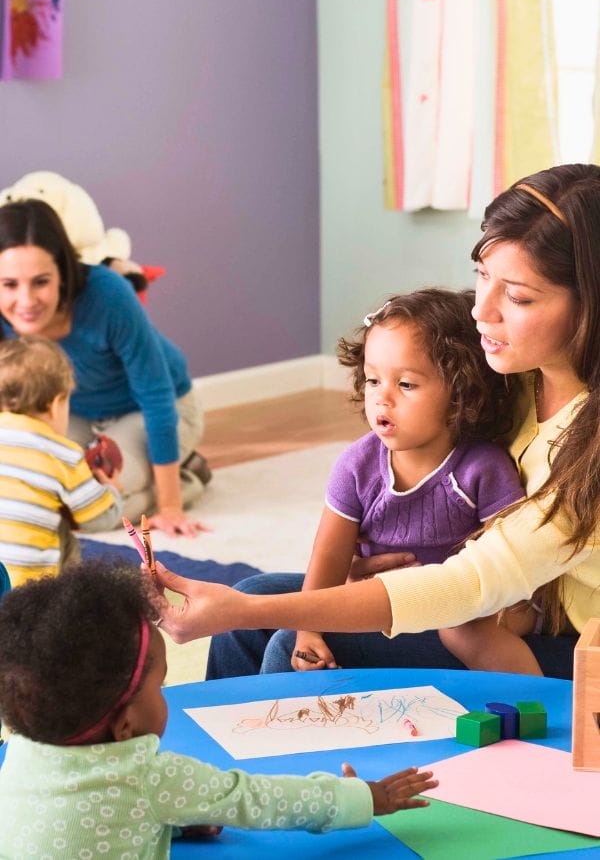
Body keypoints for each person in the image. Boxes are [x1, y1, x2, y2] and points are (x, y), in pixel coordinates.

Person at [152, 162, 599, 681]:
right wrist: (339, 581)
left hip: (563, 645)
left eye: (518, 297)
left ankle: (309, 766)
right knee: (249, 607)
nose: (483, 311)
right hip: (483, 604)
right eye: (481, 276)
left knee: (287, 646)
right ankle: (221, 760)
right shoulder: (512, 370)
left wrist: (275, 612)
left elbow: (470, 584)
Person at [0, 562, 438, 857]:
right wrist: (364, 797)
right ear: (125, 725)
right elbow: (260, 800)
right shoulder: (151, 779)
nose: (166, 692)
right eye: (160, 685)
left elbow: (83, 817)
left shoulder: (19, 752)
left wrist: (172, 822)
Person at [290, 288, 535, 675]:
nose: (382, 399)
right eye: (372, 380)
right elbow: (330, 559)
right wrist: (307, 631)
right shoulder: (357, 466)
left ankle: (534, 710)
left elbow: (518, 564)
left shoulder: (482, 468)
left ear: (461, 392)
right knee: (256, 600)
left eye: (405, 385)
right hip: (380, 598)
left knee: (278, 649)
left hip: (457, 613)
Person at [0, 198, 209, 537]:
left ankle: (186, 481)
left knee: (81, 510)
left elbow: (156, 396)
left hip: (155, 410)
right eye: (9, 284)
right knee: (27, 496)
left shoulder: (108, 294)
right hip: (72, 416)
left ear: (63, 273)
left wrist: (170, 507)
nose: (25, 301)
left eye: (41, 282)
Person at [0, 336, 123, 586]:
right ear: (57, 404)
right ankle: (70, 599)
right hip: (28, 595)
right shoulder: (63, 453)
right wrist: (113, 490)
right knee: (64, 535)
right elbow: (100, 520)